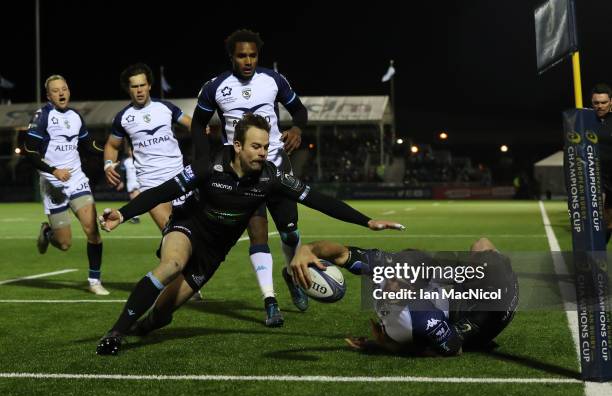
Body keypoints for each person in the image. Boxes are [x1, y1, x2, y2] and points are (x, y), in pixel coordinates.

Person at [95, 114, 404, 355]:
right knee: (172, 264)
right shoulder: (210, 165)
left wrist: (366, 222)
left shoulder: (271, 177)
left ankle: (146, 324)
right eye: (256, 146)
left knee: (161, 316)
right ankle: (115, 333)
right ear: (238, 146)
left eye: (266, 146)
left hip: (214, 251)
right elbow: (164, 191)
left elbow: (319, 200)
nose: (263, 152)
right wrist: (123, 213)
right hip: (188, 227)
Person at [192, 29, 309, 326]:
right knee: (257, 236)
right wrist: (205, 160)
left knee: (290, 233)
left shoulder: (273, 80)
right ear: (231, 56)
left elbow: (299, 111)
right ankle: (270, 301)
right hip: (243, 176)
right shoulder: (215, 87)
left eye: (253, 55)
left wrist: (296, 129)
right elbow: (197, 124)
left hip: (277, 166)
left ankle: (291, 274)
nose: (248, 61)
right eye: (242, 55)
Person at [290, 238, 518, 356]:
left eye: (401, 283)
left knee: (473, 339)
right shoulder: (385, 268)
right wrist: (308, 249)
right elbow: (341, 252)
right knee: (481, 244)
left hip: (492, 309)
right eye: (392, 276)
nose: (390, 284)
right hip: (453, 283)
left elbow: (453, 349)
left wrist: (382, 345)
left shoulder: (422, 319)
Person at [25, 75, 108, 295]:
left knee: (92, 230)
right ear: (48, 95)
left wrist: (108, 151)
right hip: (53, 184)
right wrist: (53, 171)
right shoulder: (42, 116)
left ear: (69, 91)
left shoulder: (75, 116)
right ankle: (48, 232)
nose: (61, 93)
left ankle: (94, 281)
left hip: (77, 180)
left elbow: (87, 144)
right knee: (64, 244)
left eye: (64, 89)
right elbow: (30, 151)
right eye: (55, 90)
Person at [103, 63, 192, 230]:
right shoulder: (123, 118)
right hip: (150, 182)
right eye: (134, 86)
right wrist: (108, 164)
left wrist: (202, 130)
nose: (139, 90)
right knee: (171, 232)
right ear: (128, 89)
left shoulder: (166, 107)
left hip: (179, 176)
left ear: (149, 85)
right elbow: (112, 145)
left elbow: (191, 124)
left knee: (191, 231)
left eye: (142, 85)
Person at [591, 83, 612, 243]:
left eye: (603, 102)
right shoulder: (585, 121)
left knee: (608, 223)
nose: (600, 106)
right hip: (597, 180)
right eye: (596, 103)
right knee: (598, 224)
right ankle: (597, 262)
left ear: (611, 102)